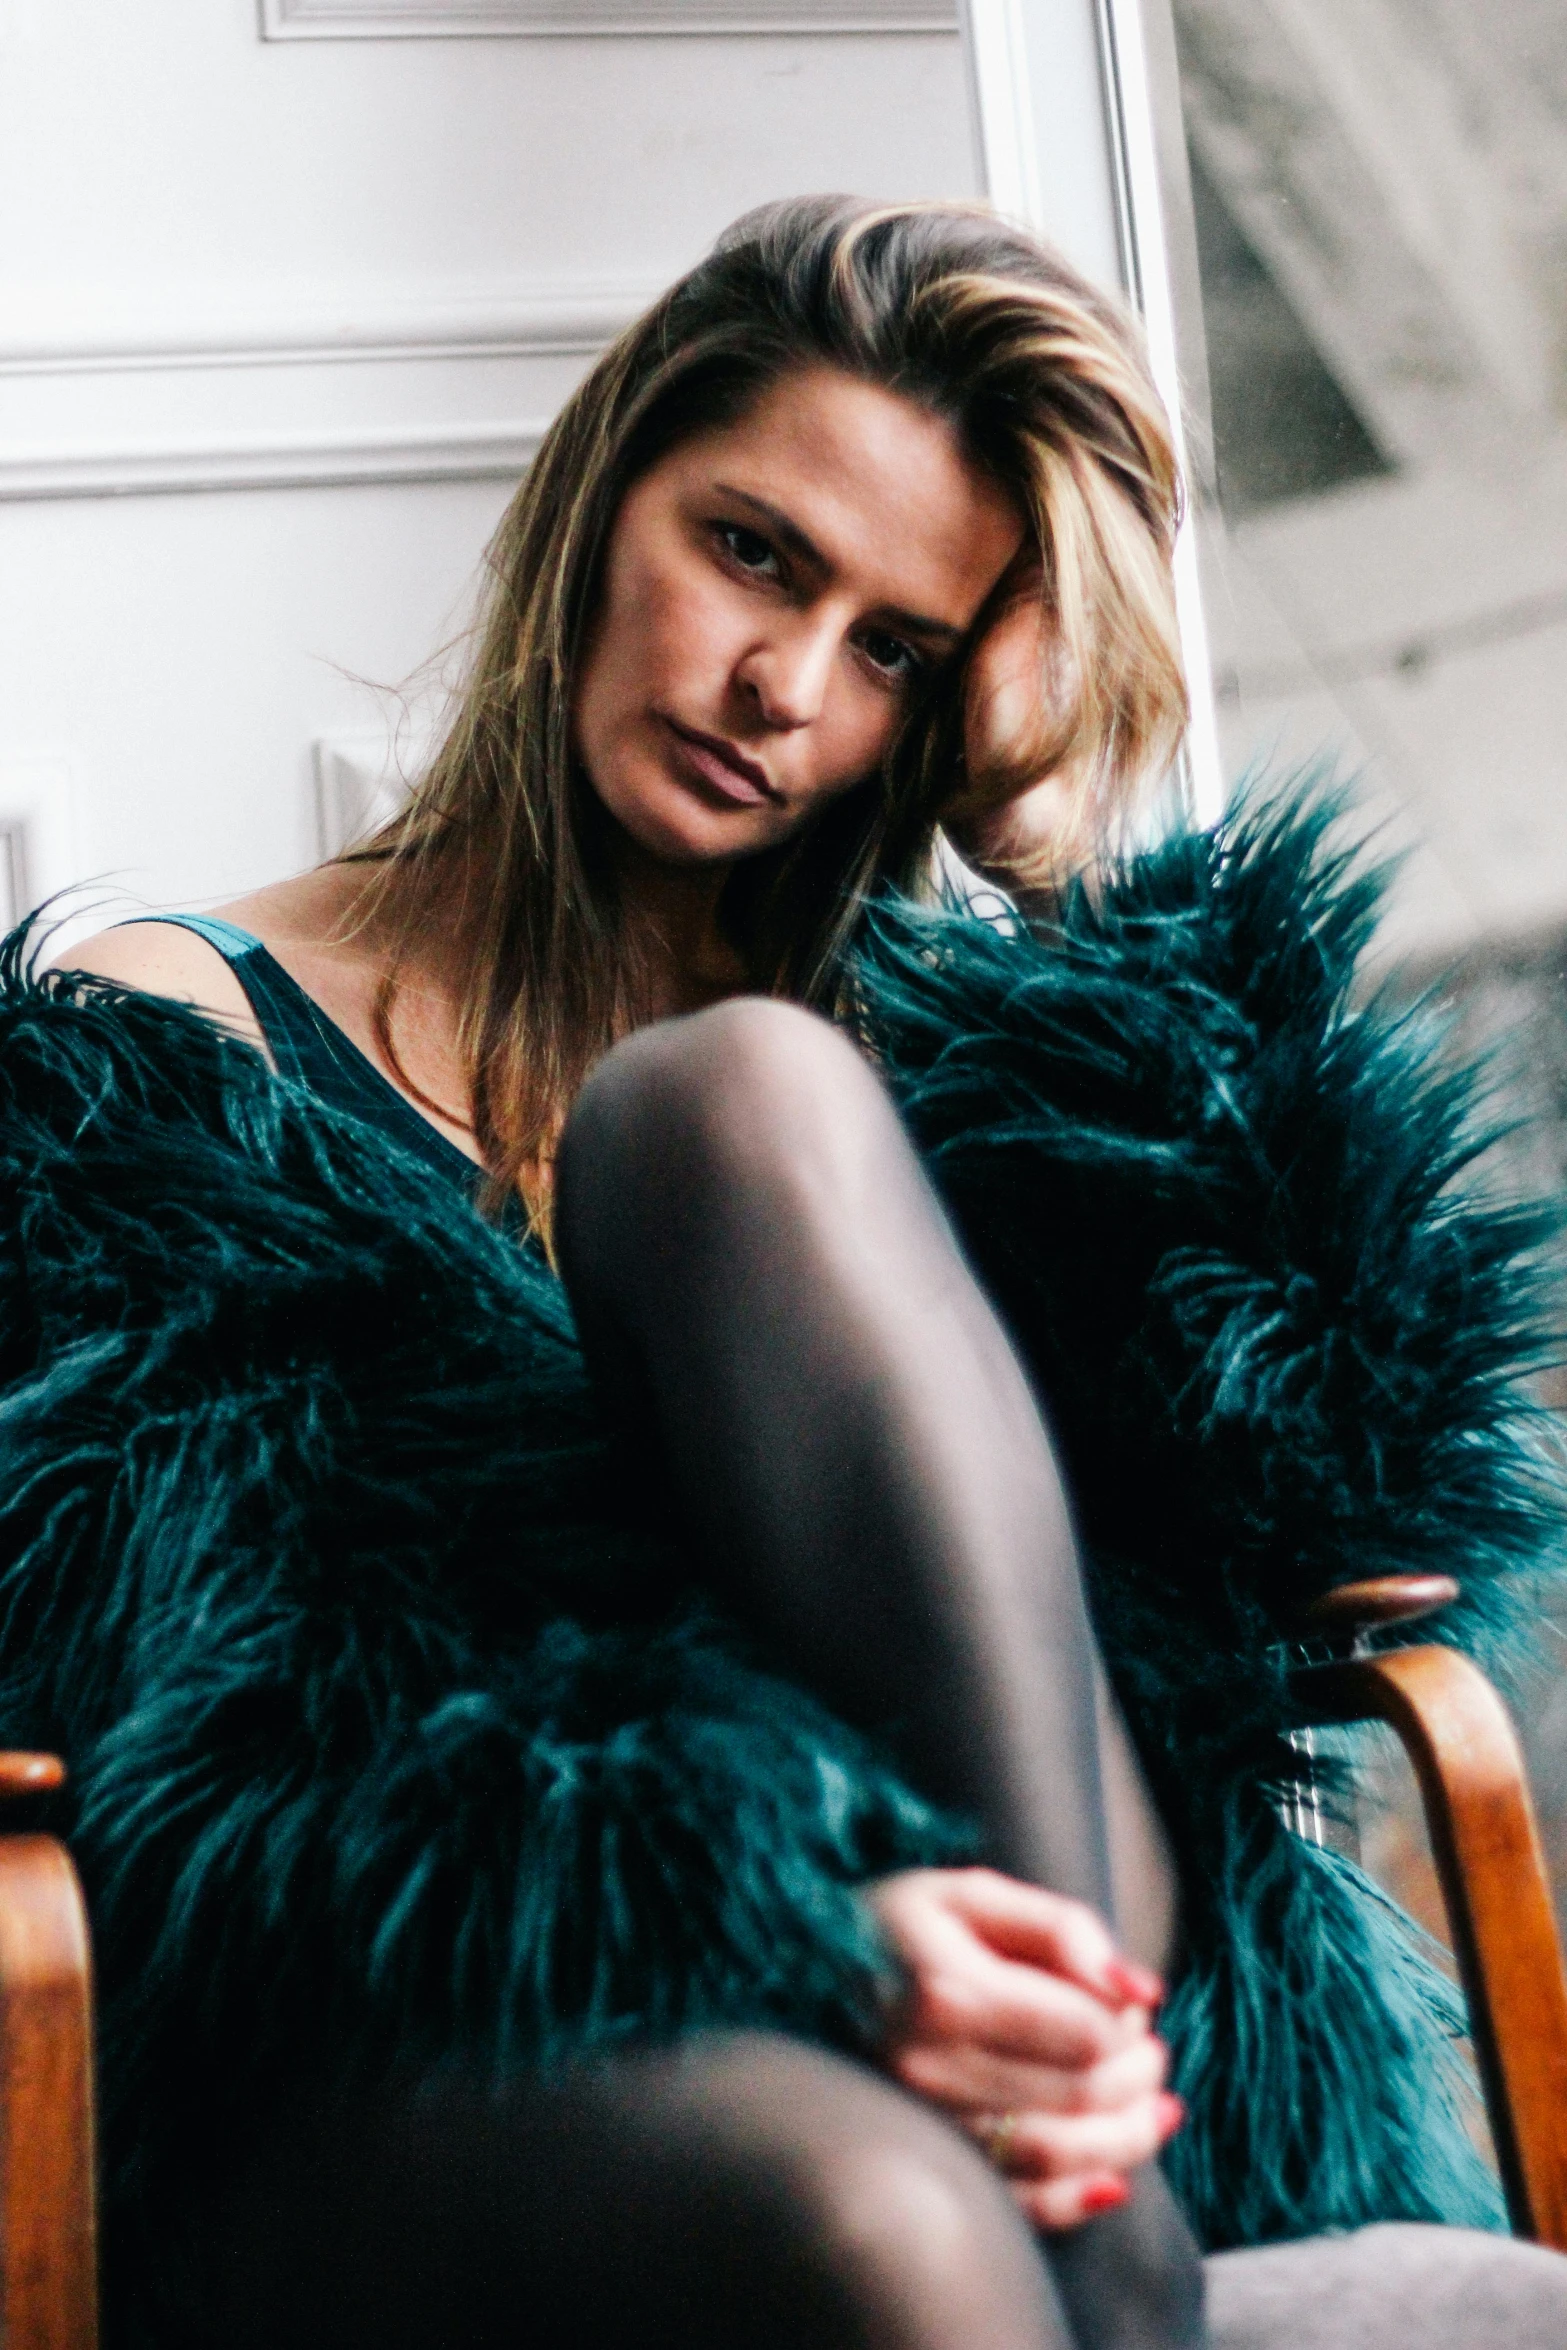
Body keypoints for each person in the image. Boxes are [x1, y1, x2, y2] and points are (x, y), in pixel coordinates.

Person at [49, 196, 1567, 2350]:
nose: (785, 685)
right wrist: (800, 1917)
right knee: (878, 2211)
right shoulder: (167, 1041)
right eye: (755, 550)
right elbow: (206, 1747)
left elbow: (1342, 1521)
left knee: (733, 1102)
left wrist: (1059, 863)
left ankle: (1085, 2234)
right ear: (604, 504)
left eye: (900, 652)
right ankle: (1118, 2270)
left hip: (993, 2045)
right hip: (433, 2039)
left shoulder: (939, 1088)